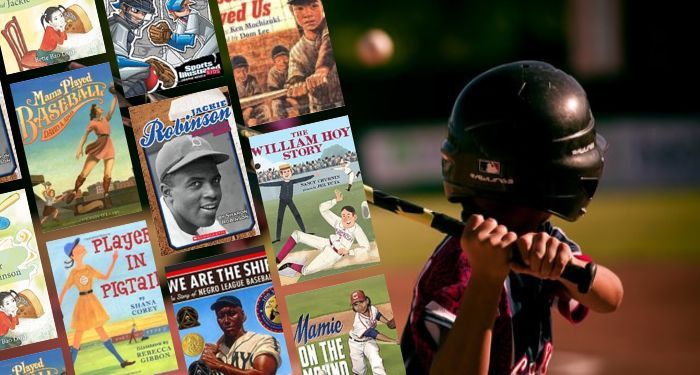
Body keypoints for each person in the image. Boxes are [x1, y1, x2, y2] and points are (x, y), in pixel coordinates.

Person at [400, 61, 624, 374]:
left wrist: (566, 268)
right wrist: (486, 280)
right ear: (545, 175)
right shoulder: (457, 270)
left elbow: (611, 296)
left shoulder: (541, 238)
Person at [58, 238, 135, 368]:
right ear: (73, 255)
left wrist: (114, 260)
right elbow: (63, 291)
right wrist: (58, 310)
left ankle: (122, 361)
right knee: (77, 339)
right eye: (77, 248)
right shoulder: (74, 273)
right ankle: (68, 370)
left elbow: (105, 277)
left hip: (92, 303)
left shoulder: (88, 268)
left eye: (80, 246)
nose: (81, 247)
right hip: (82, 305)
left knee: (102, 333)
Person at [155, 135, 229, 248]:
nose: (212, 193)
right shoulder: (165, 242)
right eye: (196, 184)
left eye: (215, 180)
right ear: (167, 192)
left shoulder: (195, 214)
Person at [277, 189, 369, 277]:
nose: (345, 218)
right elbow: (322, 209)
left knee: (306, 271)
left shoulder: (357, 230)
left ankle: (289, 265)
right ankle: (278, 259)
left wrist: (350, 252)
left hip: (333, 255)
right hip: (327, 242)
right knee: (297, 234)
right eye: (343, 215)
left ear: (355, 217)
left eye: (348, 215)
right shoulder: (339, 222)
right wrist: (335, 201)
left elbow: (366, 247)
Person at [285, 0, 344, 114]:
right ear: (292, 12)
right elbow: (294, 77)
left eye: (314, 6)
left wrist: (321, 71)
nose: (307, 14)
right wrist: (296, 85)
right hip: (319, 109)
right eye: (300, 8)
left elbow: (328, 45)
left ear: (323, 7)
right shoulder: (296, 51)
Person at [108, 0, 176, 96]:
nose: (139, 17)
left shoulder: (117, 23)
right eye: (135, 10)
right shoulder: (120, 26)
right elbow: (117, 61)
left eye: (143, 13)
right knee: (150, 74)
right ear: (124, 7)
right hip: (105, 75)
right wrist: (149, 66)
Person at [198, 295, 281, 374]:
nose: (226, 320)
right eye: (221, 316)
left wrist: (218, 365)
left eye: (232, 313)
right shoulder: (214, 352)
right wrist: (201, 365)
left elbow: (262, 373)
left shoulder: (262, 341)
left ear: (243, 315)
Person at [68, 94, 119, 205]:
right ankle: (74, 190)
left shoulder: (105, 119)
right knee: (84, 173)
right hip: (98, 146)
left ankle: (106, 195)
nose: (101, 109)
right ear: (95, 112)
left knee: (107, 174)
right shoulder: (92, 123)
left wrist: (115, 96)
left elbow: (111, 110)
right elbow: (85, 135)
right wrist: (80, 147)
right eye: (99, 108)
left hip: (109, 146)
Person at [258, 163, 314, 243]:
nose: (287, 173)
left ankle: (305, 232)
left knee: (297, 215)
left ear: (291, 172)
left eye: (288, 171)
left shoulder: (293, 181)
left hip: (290, 201)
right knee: (280, 219)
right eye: (284, 172)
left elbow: (303, 179)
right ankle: (278, 238)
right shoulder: (281, 183)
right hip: (282, 202)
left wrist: (313, 175)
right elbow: (270, 184)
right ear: (281, 174)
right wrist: (260, 184)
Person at [348, 290, 397, 375]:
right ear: (353, 307)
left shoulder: (372, 308)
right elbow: (373, 334)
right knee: (360, 370)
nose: (359, 306)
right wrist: (393, 340)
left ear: (366, 301)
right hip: (355, 345)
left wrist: (388, 323)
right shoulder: (358, 322)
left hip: (368, 341)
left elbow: (377, 315)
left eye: (361, 302)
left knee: (377, 361)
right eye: (356, 304)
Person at [148, 0, 217, 59]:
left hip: (215, 38)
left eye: (186, 5)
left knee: (199, 59)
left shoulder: (193, 15)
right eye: (181, 8)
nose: (186, 9)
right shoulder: (181, 21)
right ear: (172, 13)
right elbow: (181, 46)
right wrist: (167, 41)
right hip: (208, 41)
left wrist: (170, 35)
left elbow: (190, 40)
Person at [232, 55, 271, 126]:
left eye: (244, 70)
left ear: (247, 69)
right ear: (233, 73)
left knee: (265, 108)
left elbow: (258, 97)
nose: (242, 74)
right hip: (240, 113)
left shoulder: (252, 80)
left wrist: (250, 109)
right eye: (238, 72)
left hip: (253, 109)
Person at [266, 45, 297, 120]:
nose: (282, 62)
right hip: (281, 98)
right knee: (276, 104)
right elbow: (273, 91)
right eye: (278, 60)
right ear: (274, 62)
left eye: (285, 59)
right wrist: (288, 98)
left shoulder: (294, 67)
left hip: (296, 94)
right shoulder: (272, 72)